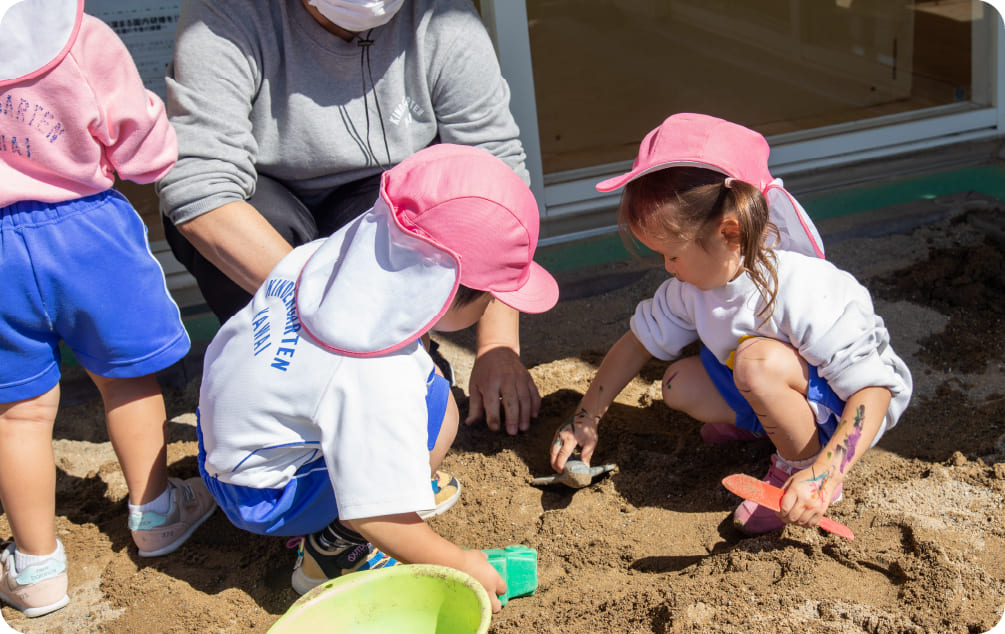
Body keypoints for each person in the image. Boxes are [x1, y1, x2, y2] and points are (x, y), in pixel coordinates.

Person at [195, 144, 560, 611]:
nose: (493, 305)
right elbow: (377, 514)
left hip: (223, 447)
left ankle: (351, 498)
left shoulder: (335, 254)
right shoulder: (371, 371)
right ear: (445, 286)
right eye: (489, 296)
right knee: (435, 403)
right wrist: (458, 561)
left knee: (421, 376)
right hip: (268, 495)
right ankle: (333, 552)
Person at [157, 0, 542, 435]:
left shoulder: (441, 16)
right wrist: (335, 315)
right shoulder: (227, 12)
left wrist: (497, 346)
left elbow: (495, 182)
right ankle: (281, 376)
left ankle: (403, 359)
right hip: (264, 203)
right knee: (255, 228)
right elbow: (200, 187)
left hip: (378, 196)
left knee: (407, 208)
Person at [550, 113, 912, 535]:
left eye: (672, 254)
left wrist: (827, 471)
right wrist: (587, 415)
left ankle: (797, 467)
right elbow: (636, 344)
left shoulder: (803, 287)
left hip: (840, 416)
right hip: (765, 384)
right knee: (676, 384)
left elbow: (875, 391)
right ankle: (769, 427)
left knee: (755, 363)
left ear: (730, 233)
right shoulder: (695, 286)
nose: (667, 268)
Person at [0, 0, 216, 618]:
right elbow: (142, 144)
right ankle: (155, 512)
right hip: (86, 228)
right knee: (125, 380)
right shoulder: (78, 36)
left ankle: (37, 568)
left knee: (18, 414)